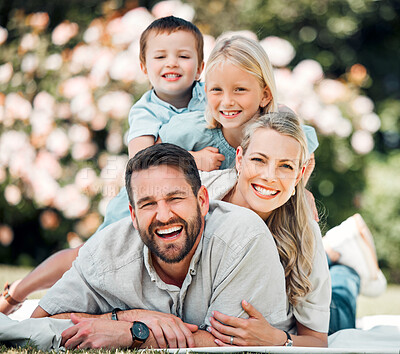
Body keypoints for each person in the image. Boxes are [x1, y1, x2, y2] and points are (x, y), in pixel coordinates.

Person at [0, 34, 319, 315]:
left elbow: (306, 154)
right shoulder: (192, 130)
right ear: (204, 91)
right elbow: (152, 161)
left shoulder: (281, 130)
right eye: (216, 90)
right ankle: (16, 293)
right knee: (88, 257)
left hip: (208, 219)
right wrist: (194, 159)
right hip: (157, 204)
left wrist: (299, 189)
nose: (227, 101)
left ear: (264, 94)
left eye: (240, 90)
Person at [30, 143, 287, 350]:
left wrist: (133, 335)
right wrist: (128, 318)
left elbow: (230, 345)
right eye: (148, 204)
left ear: (202, 201)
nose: (163, 216)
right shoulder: (105, 252)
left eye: (175, 198)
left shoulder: (242, 238)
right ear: (133, 214)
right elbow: (39, 323)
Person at [195, 112, 386, 346]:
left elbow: (317, 340)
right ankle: (333, 252)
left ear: (299, 175)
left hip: (293, 324)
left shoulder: (304, 235)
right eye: (259, 160)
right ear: (239, 159)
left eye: (285, 166)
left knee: (340, 303)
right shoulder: (201, 194)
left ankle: (348, 266)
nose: (269, 177)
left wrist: (277, 339)